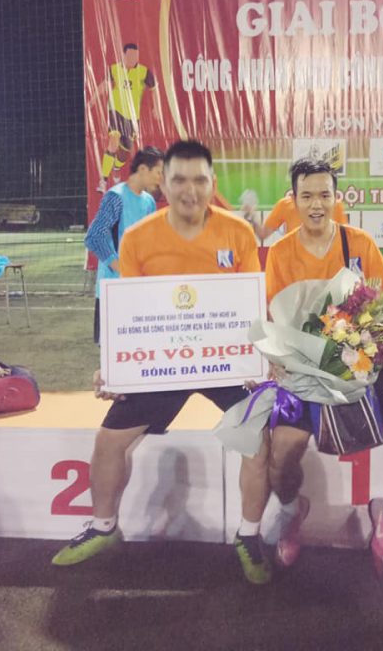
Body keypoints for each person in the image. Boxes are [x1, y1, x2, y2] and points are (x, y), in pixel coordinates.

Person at [52, 140, 272, 585]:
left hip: (223, 361)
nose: (190, 190)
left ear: (212, 183)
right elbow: (130, 314)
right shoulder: (138, 237)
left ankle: (249, 536)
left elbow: (251, 305)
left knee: (257, 439)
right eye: (179, 180)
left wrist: (259, 358)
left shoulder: (237, 233)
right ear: (164, 185)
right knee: (109, 441)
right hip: (163, 363)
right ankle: (104, 527)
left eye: (199, 180)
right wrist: (113, 367)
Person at [244, 158, 383, 578]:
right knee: (280, 456)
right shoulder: (280, 252)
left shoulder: (359, 243)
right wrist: (278, 360)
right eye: (307, 196)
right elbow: (275, 317)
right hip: (306, 370)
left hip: (361, 363)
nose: (316, 204)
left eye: (324, 195)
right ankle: (291, 511)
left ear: (337, 198)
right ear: (293, 200)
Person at [85, 146, 165, 344]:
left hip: (138, 289)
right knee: (112, 351)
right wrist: (121, 268)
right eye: (159, 173)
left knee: (139, 348)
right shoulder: (116, 197)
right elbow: (94, 237)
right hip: (113, 289)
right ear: (143, 169)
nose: (161, 179)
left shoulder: (149, 202)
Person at [90, 43, 162, 193]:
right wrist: (92, 101)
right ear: (123, 55)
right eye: (130, 55)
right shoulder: (114, 69)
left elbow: (154, 89)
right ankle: (103, 180)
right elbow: (103, 86)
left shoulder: (144, 72)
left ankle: (116, 167)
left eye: (135, 56)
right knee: (113, 141)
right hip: (115, 111)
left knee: (124, 152)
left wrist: (156, 107)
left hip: (132, 117)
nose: (133, 58)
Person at [242, 189, 347, 242]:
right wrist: (252, 215)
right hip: (295, 267)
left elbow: (345, 239)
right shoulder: (285, 204)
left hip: (328, 267)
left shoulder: (335, 205)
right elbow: (263, 234)